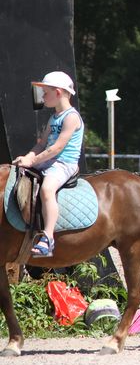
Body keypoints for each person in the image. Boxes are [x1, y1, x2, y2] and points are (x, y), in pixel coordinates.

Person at [13, 71, 84, 258]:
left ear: (58, 92)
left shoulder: (71, 117)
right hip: (48, 160)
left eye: (45, 92)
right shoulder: (54, 118)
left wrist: (33, 161)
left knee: (47, 189)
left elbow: (57, 148)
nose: (42, 96)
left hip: (63, 163)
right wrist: (27, 157)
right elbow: (42, 144)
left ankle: (48, 237)